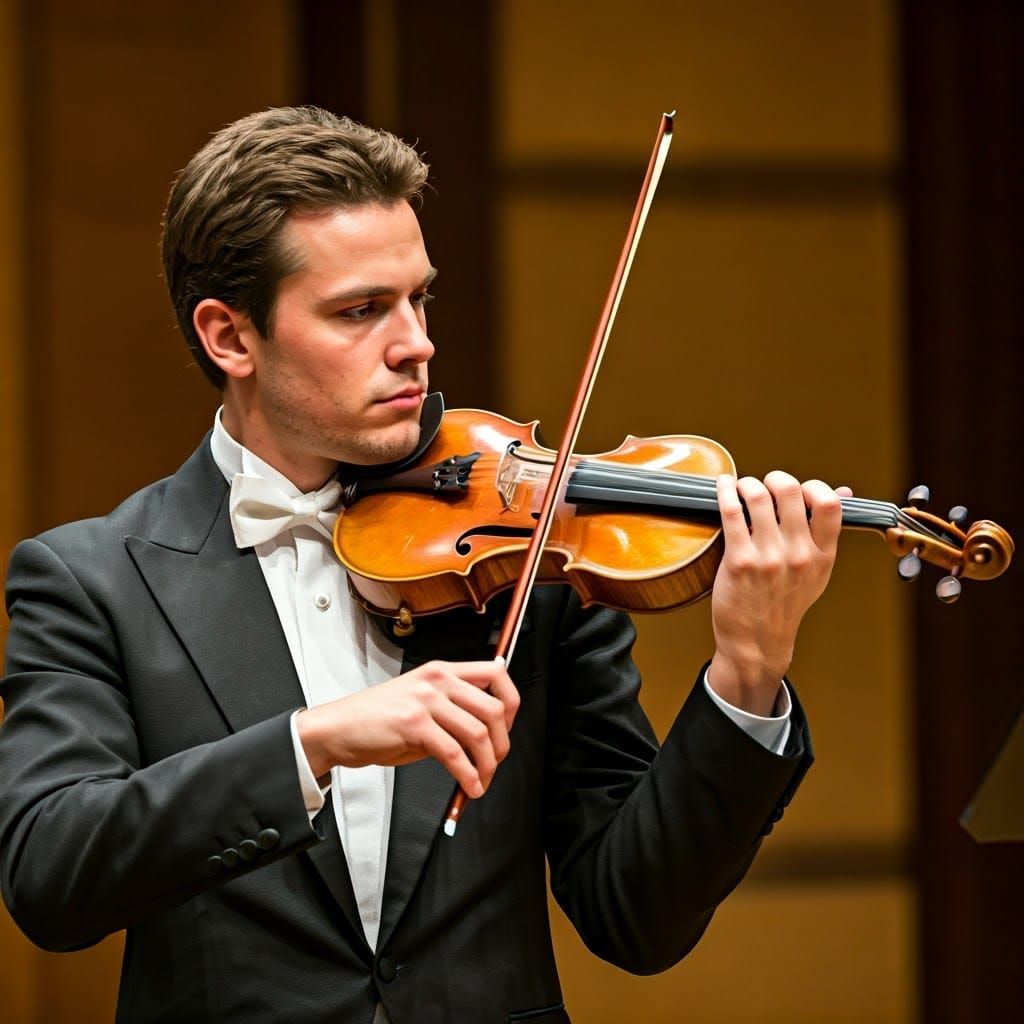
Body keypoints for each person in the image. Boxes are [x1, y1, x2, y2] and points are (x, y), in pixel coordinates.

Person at [0, 106, 846, 1024]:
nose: (416, 342)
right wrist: (313, 742)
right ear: (230, 337)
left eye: (418, 299)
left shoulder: (527, 557)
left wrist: (748, 671)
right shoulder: (93, 582)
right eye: (361, 310)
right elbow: (52, 871)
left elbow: (635, 918)